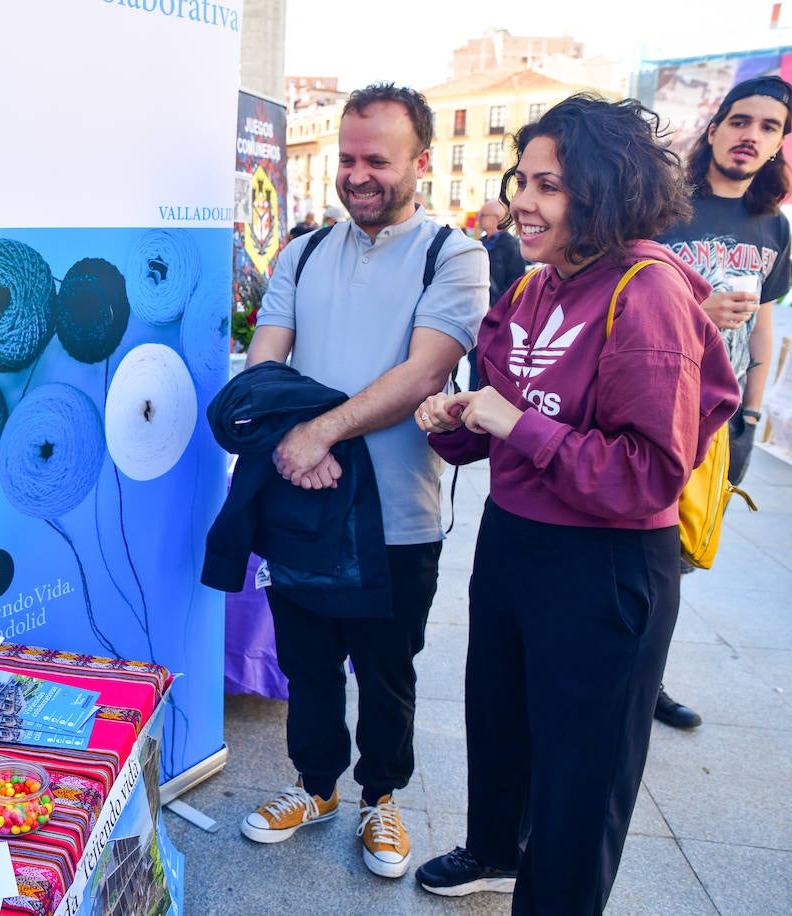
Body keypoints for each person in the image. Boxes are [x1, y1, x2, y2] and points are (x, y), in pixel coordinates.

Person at [413, 95, 739, 912]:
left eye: (549, 185)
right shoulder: (532, 288)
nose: (521, 200)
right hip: (516, 543)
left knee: (581, 778)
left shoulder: (647, 290)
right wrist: (453, 420)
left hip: (606, 567)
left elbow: (646, 475)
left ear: (604, 189)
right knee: (500, 725)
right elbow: (500, 424)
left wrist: (517, 425)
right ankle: (494, 851)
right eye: (522, 179)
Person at [238, 83, 488, 880]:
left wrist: (319, 431)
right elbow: (263, 364)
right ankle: (315, 787)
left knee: (386, 670)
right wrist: (296, 443)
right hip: (301, 500)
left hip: (398, 516)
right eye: (347, 158)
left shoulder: (455, 254)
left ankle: (382, 797)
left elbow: (422, 373)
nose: (356, 174)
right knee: (305, 662)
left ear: (419, 161)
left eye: (375, 159)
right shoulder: (302, 252)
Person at [652, 74, 792, 729]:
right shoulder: (664, 205)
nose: (750, 136)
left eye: (768, 127)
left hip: (722, 417)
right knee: (640, 549)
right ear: (714, 129)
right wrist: (695, 311)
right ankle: (621, 668)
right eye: (740, 121)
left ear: (779, 144)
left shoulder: (772, 226)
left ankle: (646, 678)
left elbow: (763, 320)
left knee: (680, 555)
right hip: (655, 401)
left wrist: (754, 414)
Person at [467, 199, 527, 390]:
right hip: (477, 315)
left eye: (482, 215)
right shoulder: (479, 243)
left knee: (491, 364)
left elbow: (515, 283)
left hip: (497, 318)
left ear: (496, 219)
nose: (478, 219)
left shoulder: (511, 245)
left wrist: (495, 306)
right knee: (474, 361)